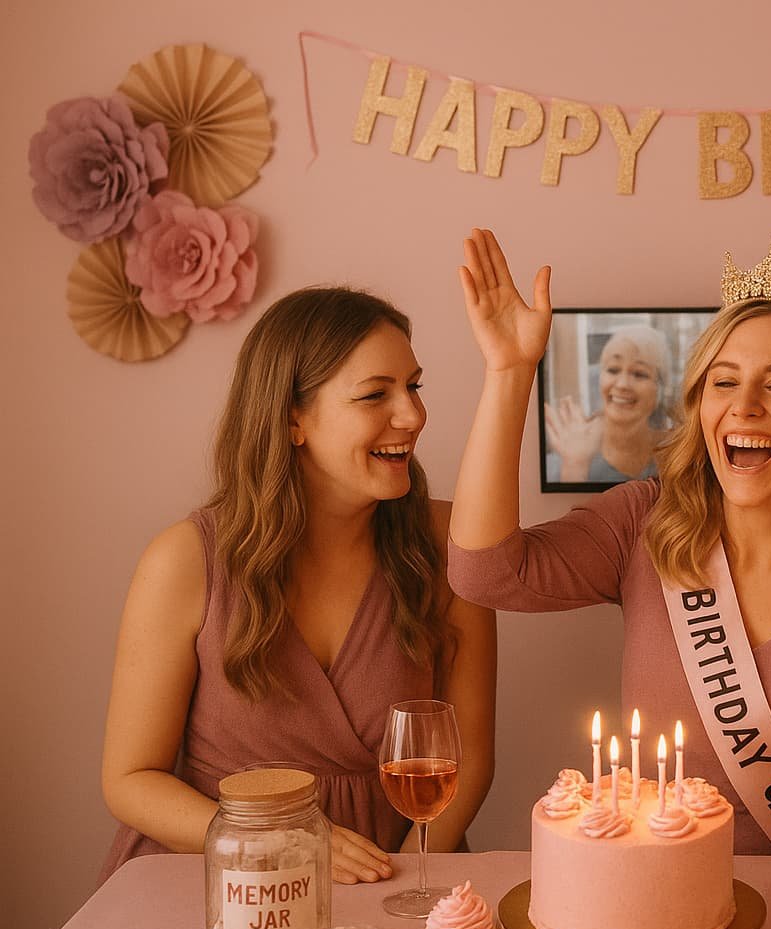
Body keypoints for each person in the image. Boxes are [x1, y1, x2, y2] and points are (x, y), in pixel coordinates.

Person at [447, 229, 771, 929]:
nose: (744, 406)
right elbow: (483, 572)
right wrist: (508, 372)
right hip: (652, 911)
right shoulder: (644, 523)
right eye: (723, 382)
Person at [100, 287, 497, 885]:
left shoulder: (449, 543)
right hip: (221, 888)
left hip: (399, 880)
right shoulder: (183, 561)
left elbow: (469, 766)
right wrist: (274, 842)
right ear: (292, 419)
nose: (413, 416)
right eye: (375, 395)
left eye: (413, 386)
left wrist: (403, 884)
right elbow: (130, 781)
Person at [544, 324, 669, 483]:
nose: (622, 384)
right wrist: (574, 465)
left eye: (639, 374)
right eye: (613, 370)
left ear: (660, 389)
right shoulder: (560, 464)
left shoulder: (677, 458)